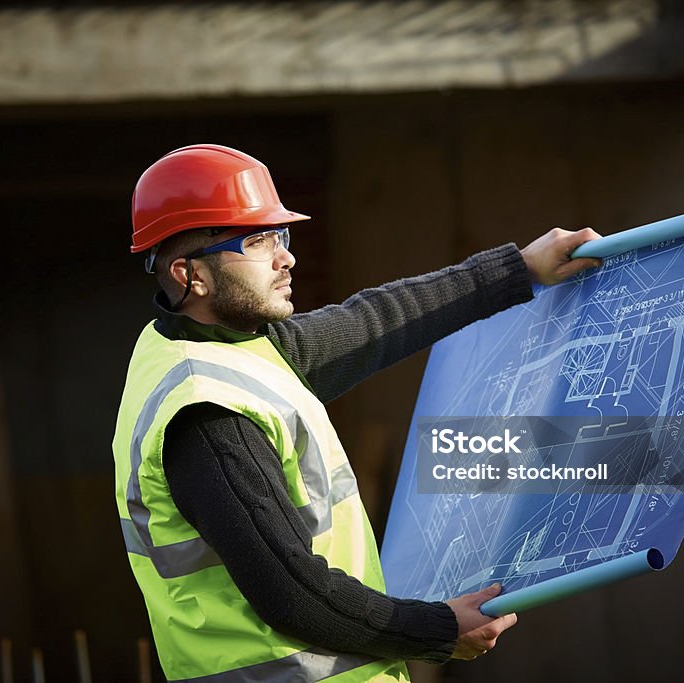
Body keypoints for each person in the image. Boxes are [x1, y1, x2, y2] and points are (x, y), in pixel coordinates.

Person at [112, 144, 602, 682]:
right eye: (257, 241)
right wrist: (437, 630)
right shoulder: (207, 415)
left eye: (282, 236)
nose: (286, 257)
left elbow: (376, 320)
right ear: (190, 276)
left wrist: (521, 268)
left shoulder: (238, 348)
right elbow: (293, 593)